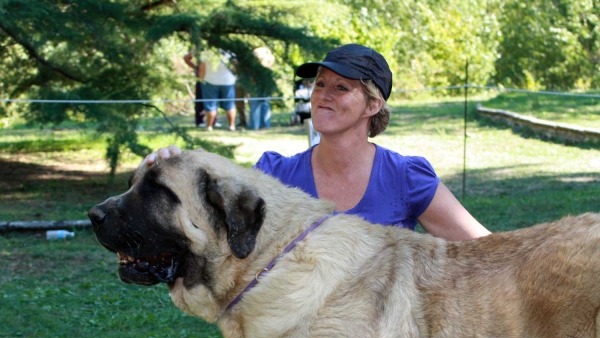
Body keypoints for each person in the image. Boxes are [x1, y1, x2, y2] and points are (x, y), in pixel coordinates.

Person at [145, 44, 490, 241]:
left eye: (341, 88)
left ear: (373, 105)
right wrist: (168, 168)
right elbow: (208, 217)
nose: (323, 96)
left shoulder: (406, 177)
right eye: (320, 84)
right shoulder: (273, 174)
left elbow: (481, 248)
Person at [199, 49, 237, 131]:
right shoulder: (230, 53)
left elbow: (202, 68)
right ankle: (232, 126)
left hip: (210, 81)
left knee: (210, 105)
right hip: (227, 81)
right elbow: (235, 68)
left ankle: (209, 126)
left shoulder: (207, 52)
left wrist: (201, 80)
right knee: (229, 105)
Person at [248, 47, 275, 131]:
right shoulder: (267, 61)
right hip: (262, 85)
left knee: (257, 104)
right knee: (263, 104)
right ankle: (262, 125)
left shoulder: (259, 63)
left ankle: (256, 125)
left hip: (259, 85)